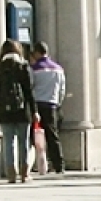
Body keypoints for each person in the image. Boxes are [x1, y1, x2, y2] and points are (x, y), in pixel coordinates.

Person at [0, 39, 38, 184]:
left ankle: (11, 173)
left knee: (8, 142)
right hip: (22, 110)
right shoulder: (23, 67)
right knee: (23, 142)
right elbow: (29, 91)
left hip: (4, 111)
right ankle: (24, 173)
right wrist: (34, 111)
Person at [30, 41, 67, 175]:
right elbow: (62, 89)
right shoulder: (58, 69)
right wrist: (58, 102)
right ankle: (59, 164)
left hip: (37, 104)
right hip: (52, 104)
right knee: (53, 136)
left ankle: (39, 162)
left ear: (37, 53)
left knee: (34, 136)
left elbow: (31, 87)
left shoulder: (34, 69)